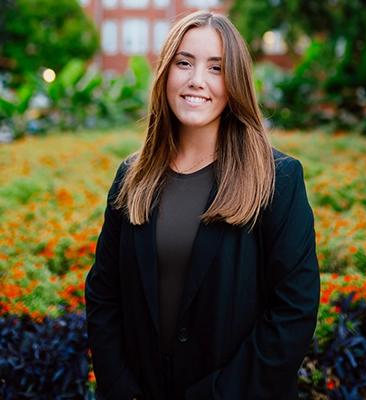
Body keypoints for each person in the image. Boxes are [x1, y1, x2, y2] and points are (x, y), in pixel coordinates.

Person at [85, 10, 320, 400]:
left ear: (236, 83)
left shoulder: (278, 178)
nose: (197, 80)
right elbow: (103, 292)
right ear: (165, 74)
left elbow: (293, 311)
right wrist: (119, 386)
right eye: (184, 62)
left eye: (217, 67)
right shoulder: (132, 176)